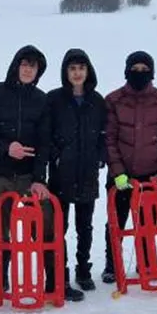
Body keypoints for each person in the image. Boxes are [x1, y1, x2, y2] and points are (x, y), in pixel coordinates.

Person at [0, 45, 74, 301]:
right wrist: (6, 148)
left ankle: (52, 281)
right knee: (0, 228)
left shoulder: (42, 101)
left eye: (34, 66)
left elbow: (44, 143)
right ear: (16, 65)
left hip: (30, 178)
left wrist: (40, 179)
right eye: (25, 64)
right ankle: (1, 277)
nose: (28, 69)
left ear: (38, 71)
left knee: (45, 227)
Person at [101, 50, 157, 284]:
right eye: (135, 70)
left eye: (144, 70)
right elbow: (109, 138)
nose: (139, 74)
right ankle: (112, 263)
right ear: (127, 71)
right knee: (116, 221)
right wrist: (117, 171)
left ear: (152, 73)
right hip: (121, 175)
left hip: (151, 175)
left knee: (149, 222)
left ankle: (146, 260)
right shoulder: (114, 100)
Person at [46, 48, 107, 295]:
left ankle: (83, 270)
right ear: (65, 72)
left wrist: (100, 156)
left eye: (81, 68)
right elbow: (46, 135)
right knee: (59, 227)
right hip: (62, 174)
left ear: (88, 71)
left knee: (85, 226)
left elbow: (105, 133)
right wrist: (57, 155)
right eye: (72, 68)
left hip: (87, 173)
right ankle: (61, 272)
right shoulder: (54, 99)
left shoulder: (97, 101)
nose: (77, 73)